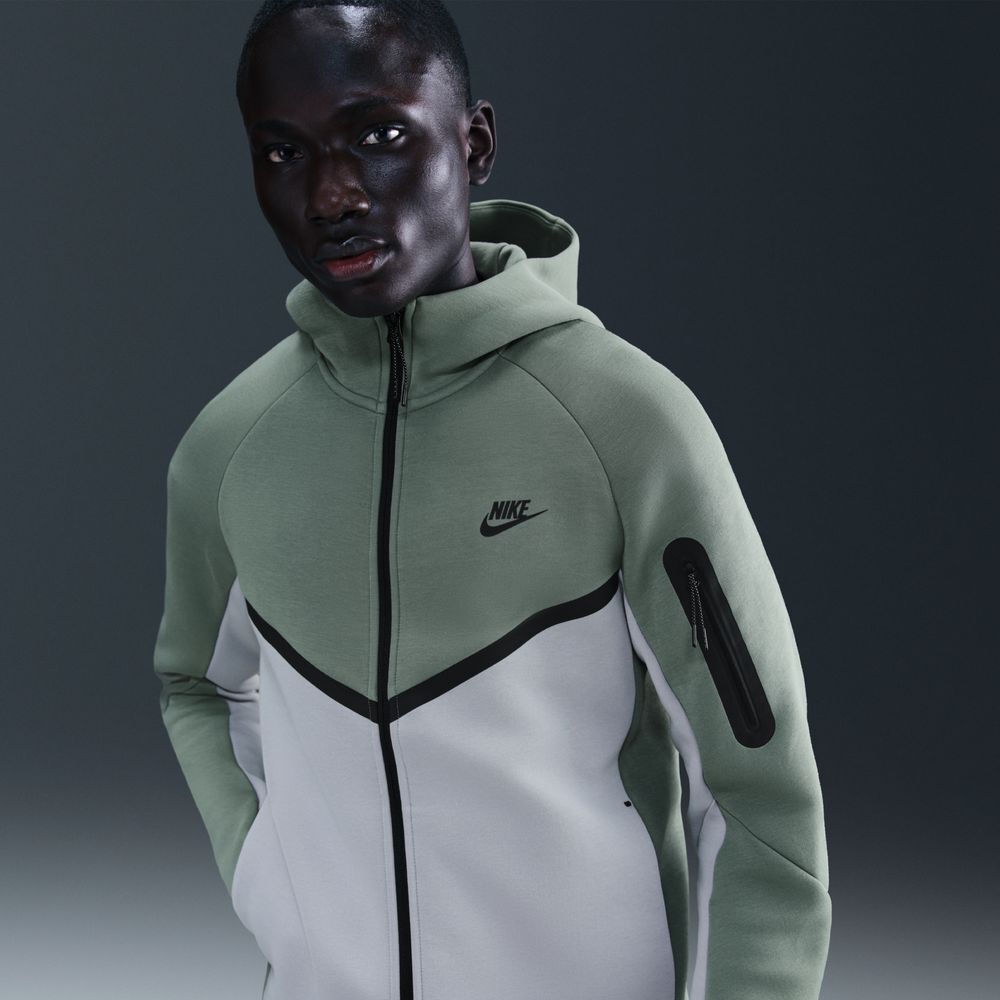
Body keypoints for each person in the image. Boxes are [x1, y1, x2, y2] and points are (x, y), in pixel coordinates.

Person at [152, 2, 832, 999]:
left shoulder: (625, 423)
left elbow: (759, 786)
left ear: (473, 144)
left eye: (378, 136)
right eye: (284, 152)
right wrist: (271, 876)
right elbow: (197, 685)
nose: (332, 193)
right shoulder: (230, 446)